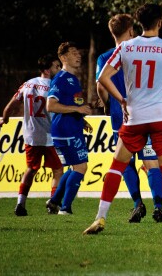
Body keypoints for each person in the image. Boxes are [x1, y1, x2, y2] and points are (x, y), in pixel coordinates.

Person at [84, 3, 162, 235]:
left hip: (135, 118)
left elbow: (103, 77)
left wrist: (121, 99)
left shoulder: (126, 48)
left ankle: (100, 218)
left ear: (139, 24)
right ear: (160, 22)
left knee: (116, 167)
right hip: (161, 118)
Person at [96, 13, 162, 223]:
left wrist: (108, 104)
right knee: (151, 160)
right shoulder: (140, 51)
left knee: (125, 163)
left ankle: (137, 204)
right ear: (131, 31)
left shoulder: (104, 57)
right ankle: (158, 206)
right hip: (145, 113)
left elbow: (101, 84)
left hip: (121, 116)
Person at [0, 54, 64, 216]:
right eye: (56, 66)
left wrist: (4, 119)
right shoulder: (55, 86)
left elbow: (10, 106)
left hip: (31, 136)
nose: (59, 69)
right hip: (50, 136)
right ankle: (53, 203)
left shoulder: (28, 84)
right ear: (48, 70)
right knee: (57, 169)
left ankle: (20, 203)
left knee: (30, 169)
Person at [45, 42, 94, 215]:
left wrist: (81, 118)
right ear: (63, 58)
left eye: (78, 52)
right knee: (81, 168)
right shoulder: (61, 78)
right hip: (66, 131)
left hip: (70, 128)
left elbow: (72, 105)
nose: (78, 55)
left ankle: (54, 201)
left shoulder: (73, 79)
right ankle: (65, 208)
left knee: (75, 167)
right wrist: (77, 110)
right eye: (73, 53)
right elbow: (50, 105)